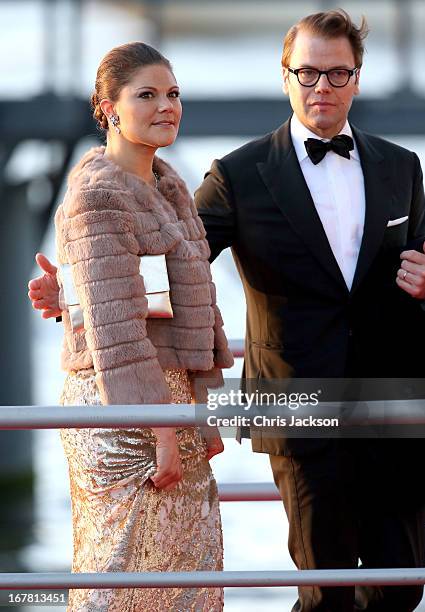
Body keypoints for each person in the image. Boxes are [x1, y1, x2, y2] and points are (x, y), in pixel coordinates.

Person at [29, 11, 425, 612]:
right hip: (302, 410)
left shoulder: (403, 165)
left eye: (336, 74)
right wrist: (69, 293)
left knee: (400, 590)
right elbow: (169, 262)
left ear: (357, 78)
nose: (321, 87)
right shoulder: (239, 175)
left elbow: (423, 264)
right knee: (324, 594)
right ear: (285, 76)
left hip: (393, 405)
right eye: (307, 72)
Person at [29, 42, 234, 611]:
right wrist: (160, 432)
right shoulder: (98, 195)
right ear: (109, 107)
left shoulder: (170, 191)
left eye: (173, 94)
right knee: (121, 581)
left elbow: (147, 293)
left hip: (171, 412)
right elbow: (119, 334)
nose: (165, 106)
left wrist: (201, 414)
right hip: (128, 416)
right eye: (146, 95)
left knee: (186, 582)